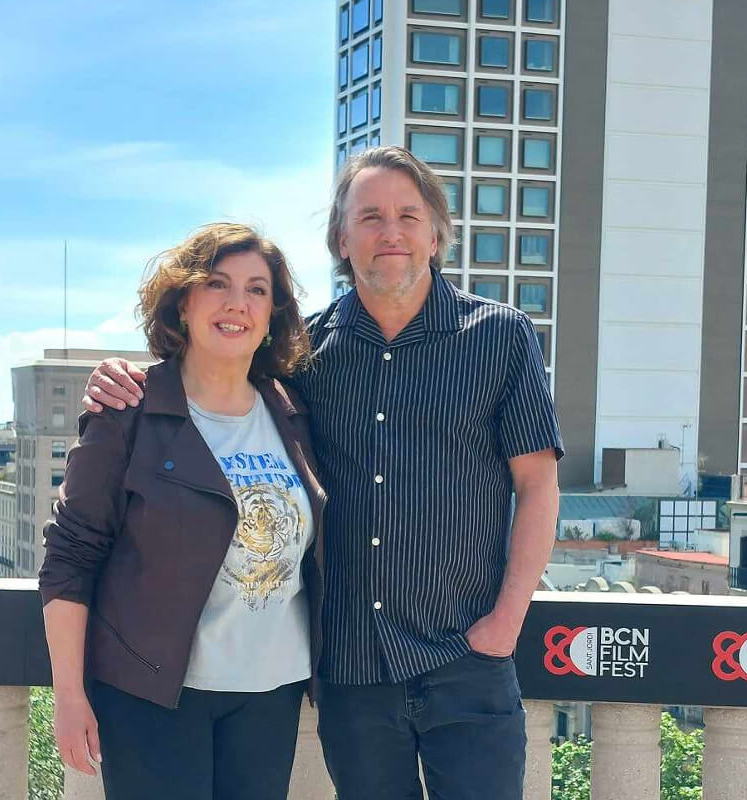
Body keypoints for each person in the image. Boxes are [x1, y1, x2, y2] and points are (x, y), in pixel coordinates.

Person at [81, 146, 562, 800]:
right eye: (369, 217)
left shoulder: (502, 337)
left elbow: (538, 488)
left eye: (407, 215)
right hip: (354, 672)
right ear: (342, 238)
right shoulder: (304, 354)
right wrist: (128, 378)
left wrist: (505, 622)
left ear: (436, 233)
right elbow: (214, 381)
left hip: (467, 660)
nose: (389, 232)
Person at [38, 222, 325, 800]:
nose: (236, 304)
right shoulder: (130, 409)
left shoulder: (293, 410)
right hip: (153, 696)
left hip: (270, 694)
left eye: (256, 290)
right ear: (184, 301)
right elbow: (69, 557)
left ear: (273, 314)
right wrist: (68, 694)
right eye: (217, 284)